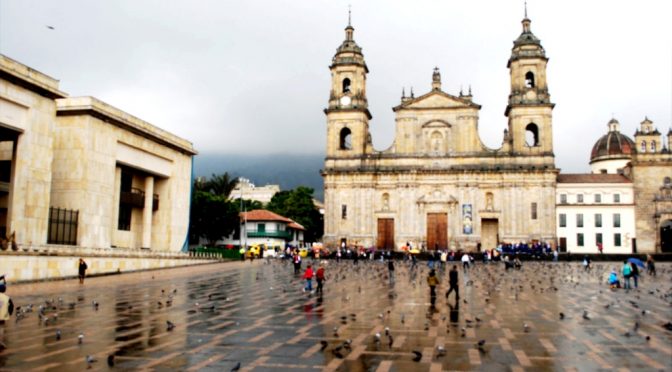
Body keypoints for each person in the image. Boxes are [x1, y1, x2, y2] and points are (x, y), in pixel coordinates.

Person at [0, 275, 14, 349]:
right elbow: (11, 307)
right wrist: (9, 314)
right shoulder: (7, 298)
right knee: (1, 329)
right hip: (2, 317)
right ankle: (1, 342)